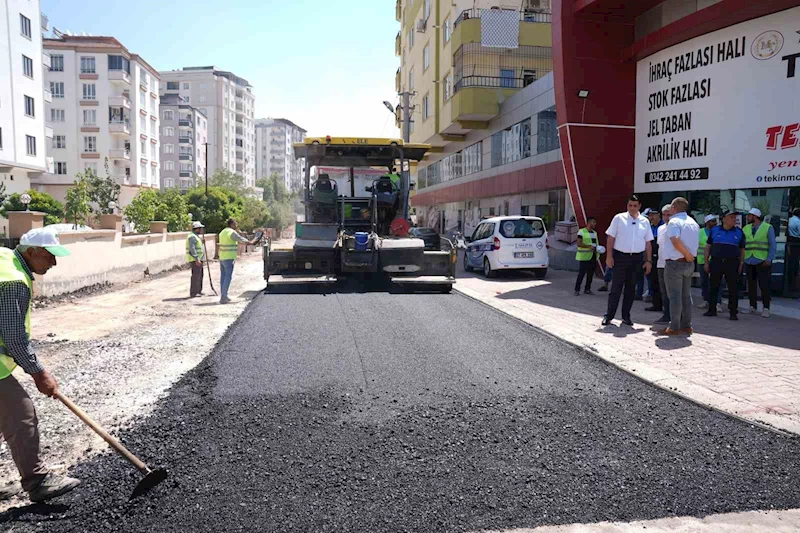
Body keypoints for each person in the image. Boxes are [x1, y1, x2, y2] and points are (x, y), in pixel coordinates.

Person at [0, 228, 81, 502]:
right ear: (31, 252)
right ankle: (37, 482)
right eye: (49, 256)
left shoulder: (4, 259)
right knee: (21, 415)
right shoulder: (13, 280)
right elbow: (13, 337)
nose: (54, 263)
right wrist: (39, 373)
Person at [602, 195, 654, 326]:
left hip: (637, 259)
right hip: (620, 257)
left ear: (639, 206)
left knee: (631, 289)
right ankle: (609, 316)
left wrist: (648, 261)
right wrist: (609, 256)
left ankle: (626, 316)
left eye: (635, 206)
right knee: (616, 288)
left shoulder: (645, 221)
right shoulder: (619, 218)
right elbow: (610, 238)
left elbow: (648, 243)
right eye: (630, 205)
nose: (632, 208)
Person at [658, 197, 700, 336]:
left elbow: (675, 240)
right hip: (689, 263)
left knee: (675, 297)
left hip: (675, 263)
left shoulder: (674, 221)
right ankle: (687, 325)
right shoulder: (693, 222)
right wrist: (689, 256)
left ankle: (674, 327)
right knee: (686, 296)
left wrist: (686, 254)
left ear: (674, 207)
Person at [704, 210, 745, 320]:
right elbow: (708, 247)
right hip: (716, 261)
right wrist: (706, 262)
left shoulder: (739, 232)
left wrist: (741, 263)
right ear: (723, 219)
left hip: (732, 263)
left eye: (734, 217)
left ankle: (733, 312)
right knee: (713, 286)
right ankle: (712, 309)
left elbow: (742, 249)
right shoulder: (714, 230)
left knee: (733, 288)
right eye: (731, 217)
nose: (734, 219)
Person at [743, 207, 776, 318]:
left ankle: (766, 308)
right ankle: (752, 306)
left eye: (749, 215)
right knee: (751, 285)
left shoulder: (767, 228)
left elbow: (772, 245)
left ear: (755, 217)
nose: (747, 217)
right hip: (749, 259)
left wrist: (769, 259)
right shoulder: (746, 228)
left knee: (764, 286)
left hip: (762, 261)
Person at [218, 218, 255, 304]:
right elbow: (240, 239)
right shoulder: (231, 232)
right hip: (228, 258)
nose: (236, 225)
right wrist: (250, 242)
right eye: (235, 223)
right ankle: (223, 297)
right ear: (232, 224)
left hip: (222, 257)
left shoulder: (222, 232)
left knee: (223, 277)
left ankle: (224, 295)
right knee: (228, 277)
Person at [696, 214, 722, 312]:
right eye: (712, 221)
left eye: (715, 221)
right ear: (707, 223)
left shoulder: (718, 231)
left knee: (717, 282)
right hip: (702, 260)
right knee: (704, 282)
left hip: (715, 260)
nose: (715, 223)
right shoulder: (700, 232)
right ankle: (706, 300)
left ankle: (717, 302)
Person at [654, 205, 673, 325]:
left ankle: (677, 316)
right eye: (664, 215)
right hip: (661, 263)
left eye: (669, 215)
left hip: (672, 263)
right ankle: (666, 315)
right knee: (664, 291)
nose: (666, 217)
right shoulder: (660, 228)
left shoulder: (677, 227)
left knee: (673, 292)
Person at [644, 207, 663, 308]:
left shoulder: (663, 226)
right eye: (650, 215)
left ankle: (663, 304)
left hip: (661, 257)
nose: (651, 217)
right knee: (653, 281)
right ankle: (656, 304)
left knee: (661, 282)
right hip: (651, 258)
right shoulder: (650, 227)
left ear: (659, 215)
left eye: (653, 214)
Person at [574, 216, 598, 296]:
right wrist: (589, 247)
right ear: (589, 223)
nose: (595, 224)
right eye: (593, 222)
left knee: (590, 274)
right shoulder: (581, 232)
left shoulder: (594, 233)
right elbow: (579, 243)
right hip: (584, 257)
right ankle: (577, 290)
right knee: (581, 274)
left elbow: (595, 244)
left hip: (593, 256)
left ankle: (587, 289)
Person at [186, 221, 205, 298]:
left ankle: (198, 290)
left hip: (199, 259)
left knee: (200, 275)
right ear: (197, 229)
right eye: (200, 228)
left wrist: (202, 242)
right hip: (195, 259)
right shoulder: (192, 237)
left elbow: (198, 246)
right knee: (196, 276)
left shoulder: (196, 236)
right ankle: (194, 292)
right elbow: (192, 248)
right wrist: (196, 258)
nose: (201, 230)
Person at [787, 207, 800, 297]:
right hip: (797, 242)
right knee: (795, 264)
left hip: (790, 242)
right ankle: (793, 285)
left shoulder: (789, 220)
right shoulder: (798, 222)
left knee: (791, 263)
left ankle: (790, 283)